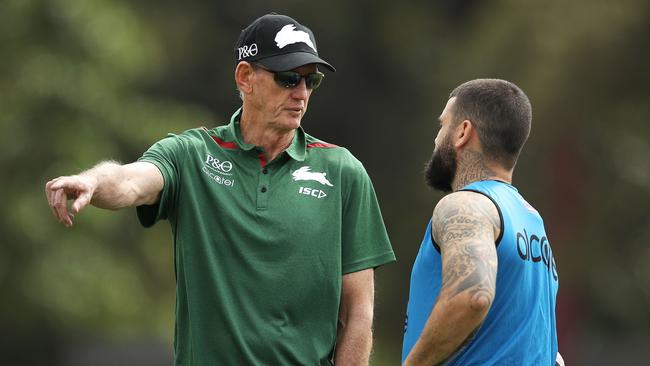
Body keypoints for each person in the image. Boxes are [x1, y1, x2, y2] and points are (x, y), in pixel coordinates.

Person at [45, 13, 395, 365]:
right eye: (288, 79)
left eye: (311, 81)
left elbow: (358, 314)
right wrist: (91, 181)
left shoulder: (343, 172)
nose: (301, 94)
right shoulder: (193, 154)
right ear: (245, 77)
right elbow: (130, 182)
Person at [401, 79, 560, 365]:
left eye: (442, 125)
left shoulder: (466, 204)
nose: (436, 139)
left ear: (462, 131)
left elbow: (473, 295)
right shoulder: (532, 221)